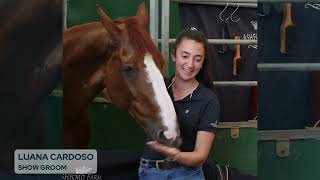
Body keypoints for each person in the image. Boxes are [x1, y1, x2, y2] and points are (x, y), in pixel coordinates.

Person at [138, 27, 220, 180]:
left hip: (186, 174)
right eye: (185, 56)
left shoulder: (209, 100)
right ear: (174, 55)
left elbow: (200, 157)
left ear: (203, 63)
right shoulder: (156, 89)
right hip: (149, 172)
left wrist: (174, 154)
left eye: (197, 59)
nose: (190, 64)